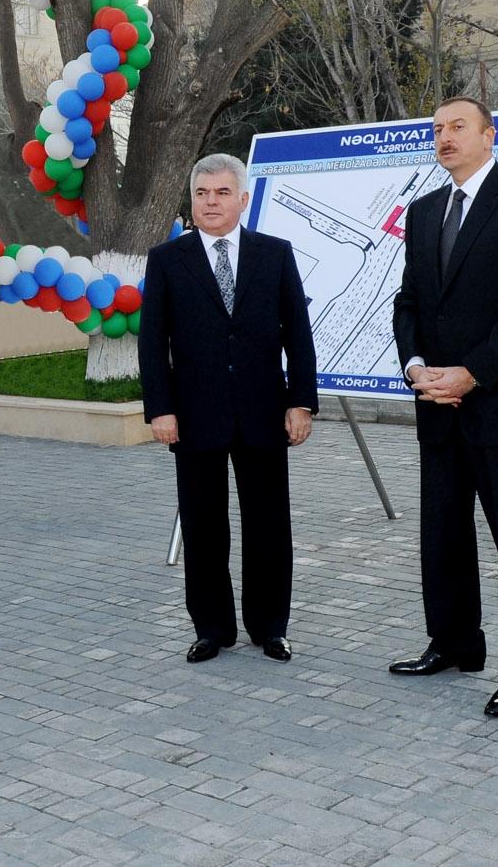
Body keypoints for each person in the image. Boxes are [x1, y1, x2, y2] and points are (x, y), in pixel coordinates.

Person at [390, 96, 498, 718]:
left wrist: (472, 374)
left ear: (490, 136)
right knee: (443, 534)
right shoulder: (424, 211)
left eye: (458, 127)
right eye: (437, 129)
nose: (444, 137)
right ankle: (455, 643)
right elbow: (409, 302)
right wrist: (416, 368)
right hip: (436, 404)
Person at [138, 153, 318, 664]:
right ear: (191, 200)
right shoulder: (168, 259)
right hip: (194, 417)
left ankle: (271, 627)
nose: (210, 202)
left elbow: (297, 336)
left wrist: (301, 401)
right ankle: (212, 629)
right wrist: (160, 409)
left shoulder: (275, 254)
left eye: (221, 193)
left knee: (268, 525)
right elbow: (153, 343)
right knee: (203, 525)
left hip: (264, 412)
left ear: (242, 199)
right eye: (201, 194)